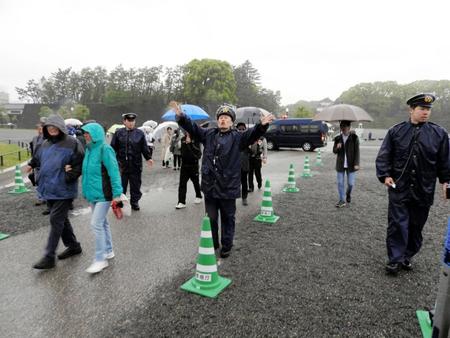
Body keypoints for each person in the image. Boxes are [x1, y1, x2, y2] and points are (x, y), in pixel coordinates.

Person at [173, 102, 274, 258]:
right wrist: (181, 117)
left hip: (228, 186)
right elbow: (193, 128)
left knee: (228, 218)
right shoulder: (208, 134)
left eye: (227, 118)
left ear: (232, 121)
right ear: (217, 120)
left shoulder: (238, 137)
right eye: (221, 117)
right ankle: (213, 243)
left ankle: (227, 245)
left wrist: (261, 126)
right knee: (211, 219)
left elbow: (252, 134)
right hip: (210, 186)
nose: (223, 120)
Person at [376, 93, 450, 275]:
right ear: (412, 110)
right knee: (397, 224)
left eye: (428, 109)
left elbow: (445, 161)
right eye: (422, 109)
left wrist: (446, 181)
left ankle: (407, 256)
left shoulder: (439, 134)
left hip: (423, 189)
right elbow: (384, 156)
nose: (425, 112)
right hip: (399, 188)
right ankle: (394, 260)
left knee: (416, 227)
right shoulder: (396, 132)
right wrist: (385, 175)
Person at [26, 114, 84, 270]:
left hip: (64, 189)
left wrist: (69, 175)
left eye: (54, 127)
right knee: (61, 219)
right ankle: (73, 246)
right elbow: (37, 158)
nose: (51, 129)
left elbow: (79, 164)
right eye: (48, 127)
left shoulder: (72, 143)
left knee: (55, 220)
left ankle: (49, 256)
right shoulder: (44, 143)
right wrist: (31, 164)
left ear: (60, 127)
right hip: (48, 188)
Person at [81, 122, 123, 274]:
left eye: (88, 132)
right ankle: (109, 251)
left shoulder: (105, 149)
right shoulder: (89, 149)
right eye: (84, 132)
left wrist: (117, 194)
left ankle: (100, 259)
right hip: (93, 194)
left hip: (104, 195)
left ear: (96, 133)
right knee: (103, 223)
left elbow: (114, 172)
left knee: (96, 224)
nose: (85, 135)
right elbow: (87, 172)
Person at [110, 113, 153, 211]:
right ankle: (120, 202)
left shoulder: (140, 133)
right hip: (122, 165)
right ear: (124, 121)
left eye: (133, 121)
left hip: (135, 165)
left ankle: (134, 202)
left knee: (135, 185)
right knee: (121, 185)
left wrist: (148, 158)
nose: (131, 123)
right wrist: (111, 161)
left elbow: (144, 148)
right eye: (129, 121)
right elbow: (112, 148)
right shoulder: (118, 133)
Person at [332, 120, 360, 208]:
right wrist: (337, 147)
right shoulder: (337, 138)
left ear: (349, 127)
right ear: (340, 128)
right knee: (340, 183)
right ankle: (342, 200)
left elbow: (357, 152)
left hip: (351, 165)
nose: (344, 129)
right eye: (342, 127)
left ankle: (348, 194)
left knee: (351, 184)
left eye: (345, 127)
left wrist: (356, 163)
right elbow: (334, 151)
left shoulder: (354, 137)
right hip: (340, 164)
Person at [175, 132, 203, 209]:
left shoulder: (196, 139)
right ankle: (181, 202)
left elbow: (198, 154)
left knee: (195, 182)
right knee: (182, 184)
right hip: (184, 165)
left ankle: (198, 196)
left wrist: (190, 143)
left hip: (193, 165)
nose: (186, 131)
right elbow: (179, 151)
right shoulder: (182, 139)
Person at [29, 121, 46, 206]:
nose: (39, 130)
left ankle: (46, 197)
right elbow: (33, 151)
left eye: (41, 128)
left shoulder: (47, 138)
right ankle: (40, 198)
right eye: (38, 128)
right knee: (38, 181)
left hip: (45, 163)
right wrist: (32, 163)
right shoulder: (35, 138)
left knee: (46, 181)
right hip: (36, 163)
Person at [237, 122, 250, 206]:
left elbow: (253, 151)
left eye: (243, 129)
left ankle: (244, 198)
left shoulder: (248, 138)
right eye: (239, 129)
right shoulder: (233, 138)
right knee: (233, 183)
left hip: (244, 165)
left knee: (244, 182)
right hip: (234, 166)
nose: (241, 130)